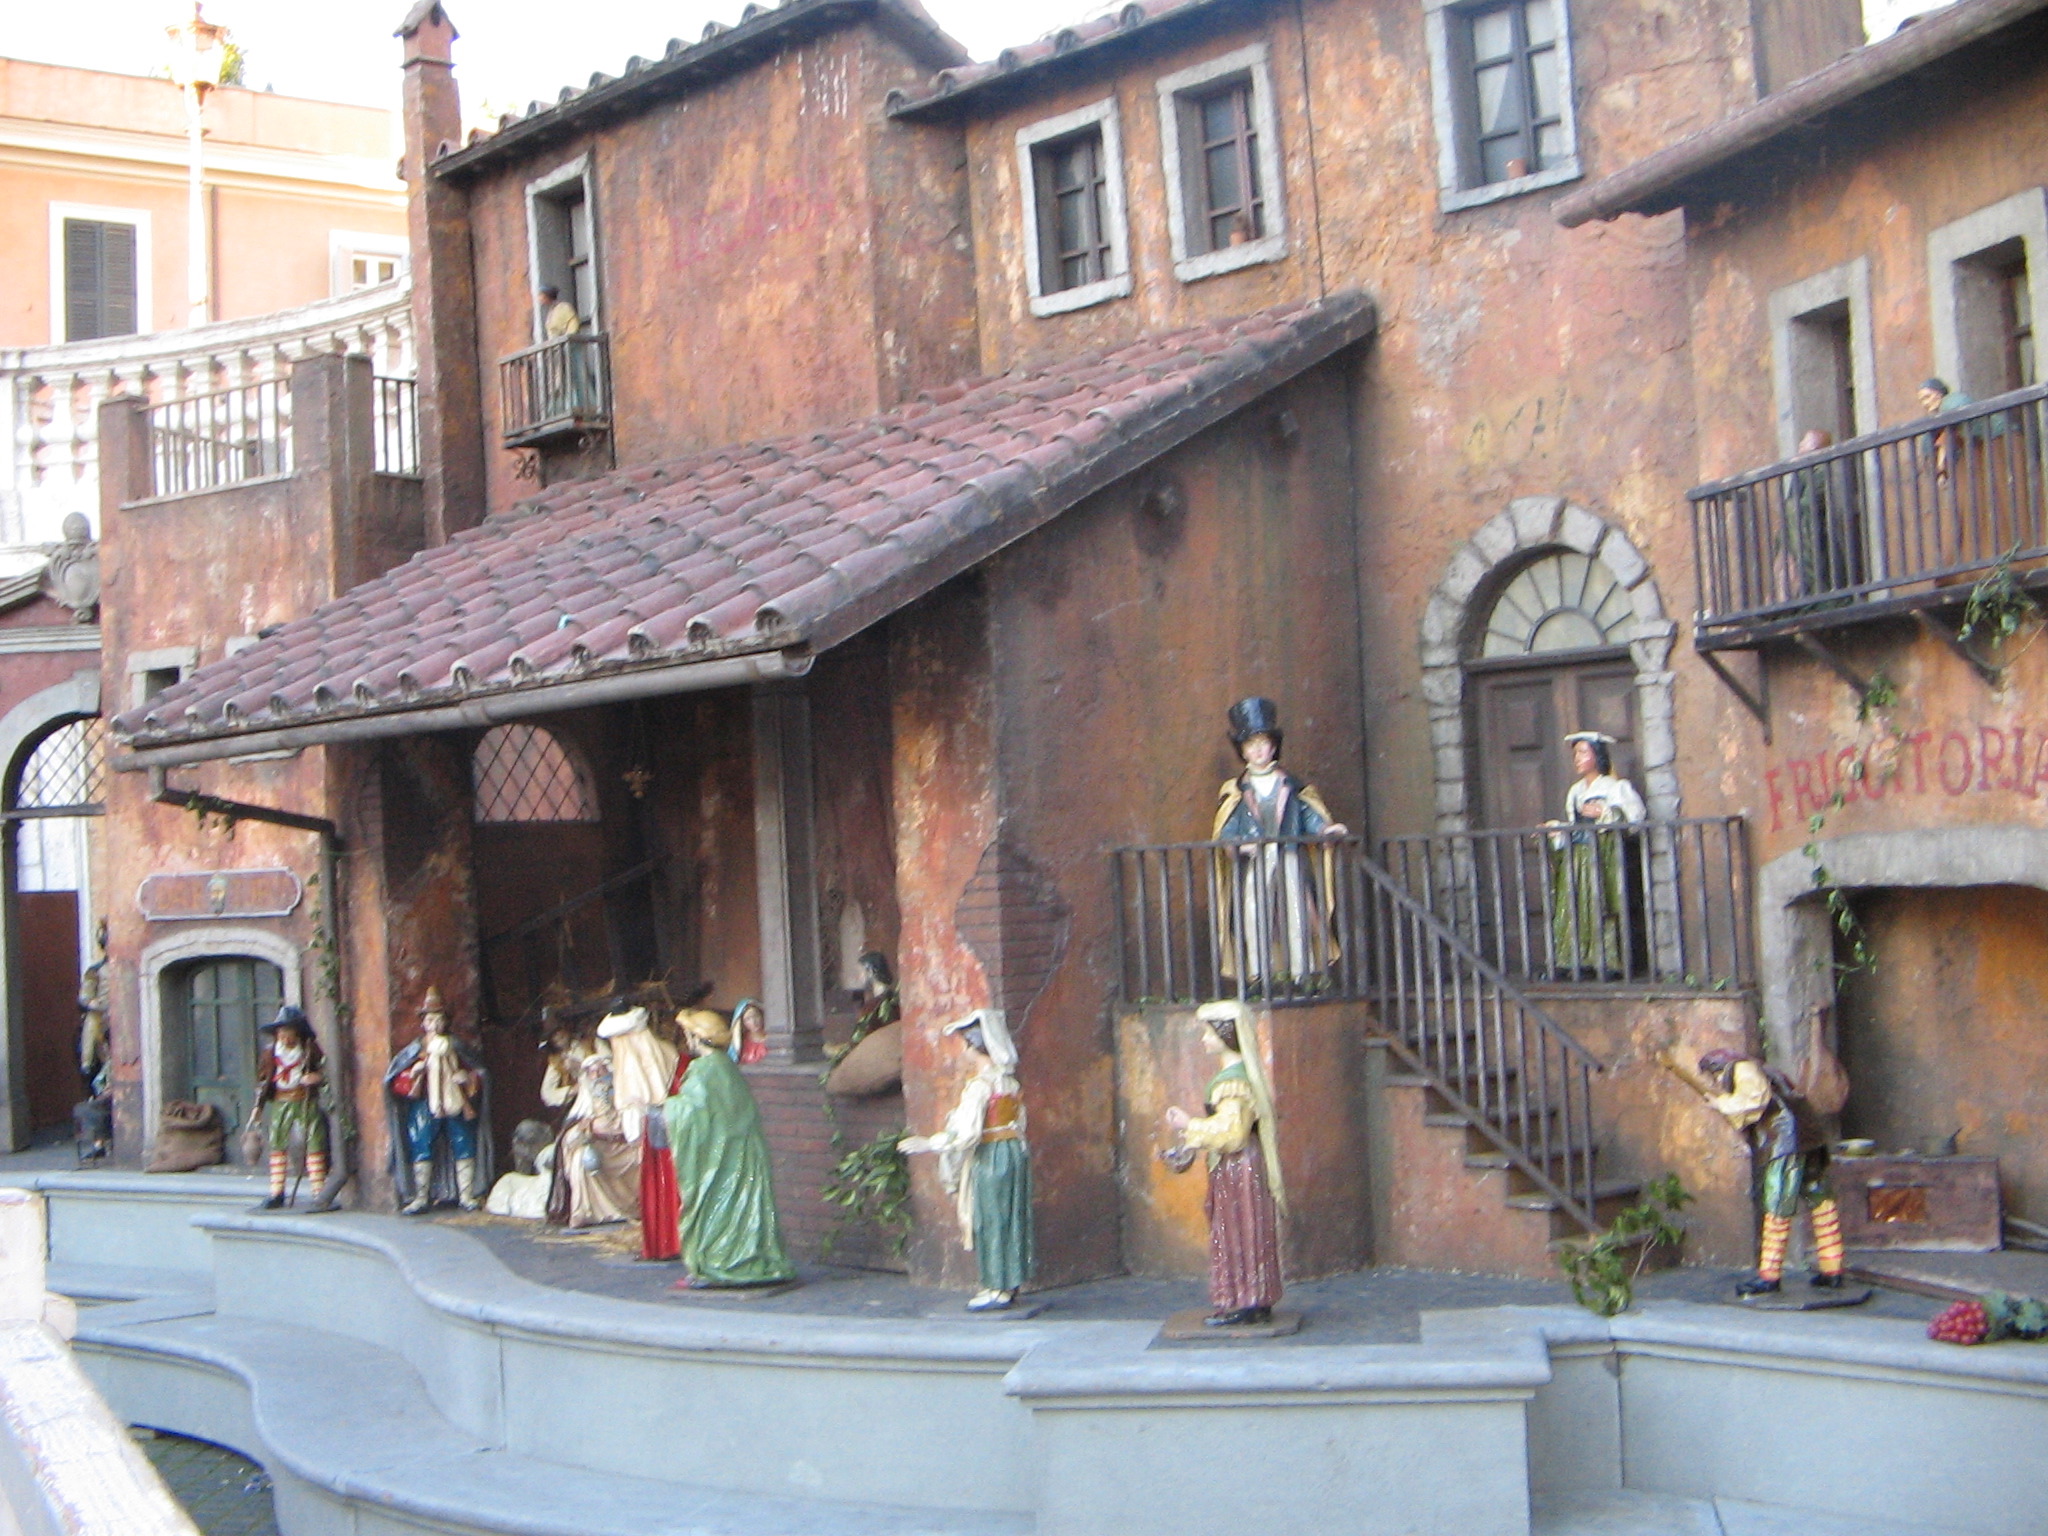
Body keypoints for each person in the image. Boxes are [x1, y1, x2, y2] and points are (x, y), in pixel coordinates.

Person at [1659, 1045, 1844, 1297]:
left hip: (1785, 1141)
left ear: (1717, 1068)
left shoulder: (1742, 1069)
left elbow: (1755, 1099)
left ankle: (1769, 1276)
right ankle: (1832, 1268)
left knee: (1778, 1206)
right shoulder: (1763, 1070)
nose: (1714, 1082)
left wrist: (1722, 1103)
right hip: (1809, 1136)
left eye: (1712, 1076)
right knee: (1819, 1198)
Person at [1161, 1000, 1287, 1327]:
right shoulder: (1238, 1076)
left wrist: (1188, 1124)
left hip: (1238, 1165)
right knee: (1245, 1227)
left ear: (1225, 1035)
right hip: (1240, 1164)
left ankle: (1245, 1300)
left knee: (1238, 1229)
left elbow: (1232, 1133)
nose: (1204, 1038)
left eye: (1209, 1032)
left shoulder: (1233, 1083)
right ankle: (1253, 1297)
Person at [899, 1009, 1034, 1311]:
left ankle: (995, 1285)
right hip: (1013, 1152)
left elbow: (965, 1132)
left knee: (990, 1219)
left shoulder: (980, 1086)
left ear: (975, 1046)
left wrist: (929, 1143)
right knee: (1010, 1217)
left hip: (991, 1155)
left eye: (967, 1043)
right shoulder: (1008, 1083)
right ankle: (1009, 1281)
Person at [1212, 697, 1348, 992]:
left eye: (1263, 743)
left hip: (1288, 855)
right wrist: (1238, 846)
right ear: (1243, 751)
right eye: (1251, 745)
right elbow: (1227, 829)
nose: (1258, 750)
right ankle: (1259, 973)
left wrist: (1325, 828)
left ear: (1273, 747)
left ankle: (1301, 972)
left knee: (1296, 911)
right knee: (1254, 913)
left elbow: (1307, 815)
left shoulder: (1290, 784)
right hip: (1257, 859)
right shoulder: (1237, 791)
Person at [662, 1009, 795, 1288]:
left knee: (717, 1206)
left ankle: (720, 1262)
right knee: (742, 1205)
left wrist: (666, 1110)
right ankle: (747, 1257)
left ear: (697, 1037)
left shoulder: (704, 1070)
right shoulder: (727, 1066)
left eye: (688, 1034)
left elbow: (693, 1112)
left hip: (718, 1157)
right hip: (742, 1151)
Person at [1545, 731, 1646, 980]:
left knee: (1601, 906)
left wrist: (1604, 813)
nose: (1577, 759)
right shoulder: (1575, 791)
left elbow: (1634, 819)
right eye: (1575, 753)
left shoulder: (1615, 787)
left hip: (1603, 857)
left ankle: (1608, 961)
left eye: (1583, 752)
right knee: (1574, 907)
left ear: (1596, 755)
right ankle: (1573, 960)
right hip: (1578, 857)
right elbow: (1575, 825)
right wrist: (1557, 830)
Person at [384, 987, 492, 1214]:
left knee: (463, 1141)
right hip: (424, 1104)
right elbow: (396, 1080)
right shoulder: (416, 1050)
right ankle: (420, 1196)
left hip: (455, 1101)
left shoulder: (457, 1046)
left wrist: (468, 1079)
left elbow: (479, 1072)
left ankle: (467, 1194)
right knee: (420, 1143)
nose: (434, 1024)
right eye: (430, 1020)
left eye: (439, 1019)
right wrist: (413, 1075)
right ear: (423, 1023)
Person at [256, 1006, 328, 1209]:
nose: (285, 1037)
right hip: (281, 1101)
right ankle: (277, 1192)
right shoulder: (270, 1054)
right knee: (277, 1142)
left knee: (314, 1141)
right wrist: (258, 1106)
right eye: (282, 1032)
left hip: (304, 1099)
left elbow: (325, 1070)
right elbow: (262, 1081)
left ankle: (318, 1190)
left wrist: (316, 1077)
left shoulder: (309, 1050)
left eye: (289, 1032)